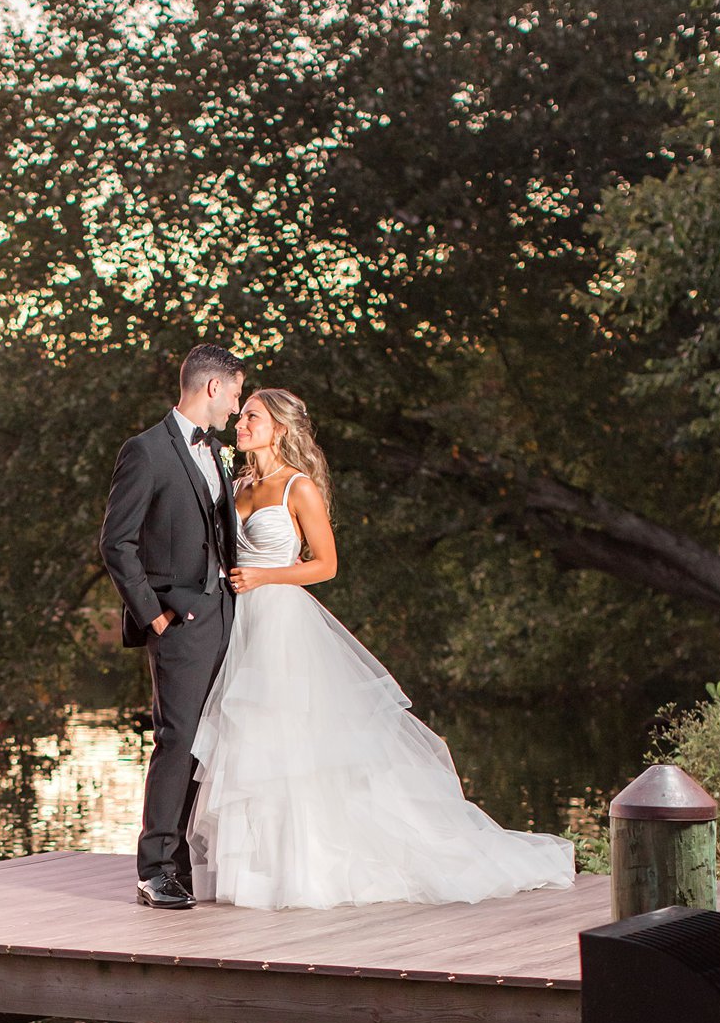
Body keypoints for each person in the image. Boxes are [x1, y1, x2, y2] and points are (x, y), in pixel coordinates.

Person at [188, 388, 576, 909]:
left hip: (281, 619)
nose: (240, 423)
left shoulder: (298, 488)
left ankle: (304, 870)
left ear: (278, 428)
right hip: (240, 623)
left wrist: (265, 576)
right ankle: (255, 873)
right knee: (247, 742)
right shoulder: (235, 484)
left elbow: (326, 564)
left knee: (289, 740)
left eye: (251, 417)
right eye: (242, 416)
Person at [99, 343, 246, 909]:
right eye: (235, 392)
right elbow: (117, 543)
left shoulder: (219, 453)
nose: (236, 405)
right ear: (212, 387)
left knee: (216, 744)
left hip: (230, 616)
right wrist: (152, 612)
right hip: (180, 622)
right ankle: (157, 867)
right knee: (178, 740)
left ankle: (195, 862)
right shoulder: (146, 451)